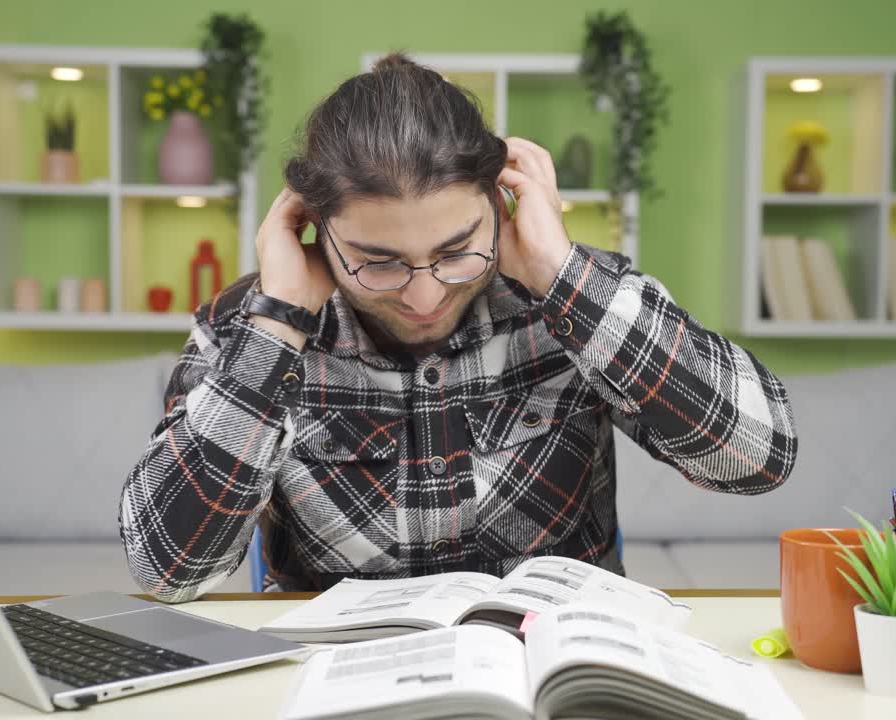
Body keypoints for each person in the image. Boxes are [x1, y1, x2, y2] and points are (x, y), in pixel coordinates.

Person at [119, 52, 798, 602]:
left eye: (455, 250)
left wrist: (564, 277)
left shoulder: (578, 296)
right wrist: (276, 330)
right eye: (377, 262)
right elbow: (170, 571)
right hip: (341, 687)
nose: (422, 294)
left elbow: (759, 461)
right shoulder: (249, 325)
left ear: (503, 200)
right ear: (313, 232)